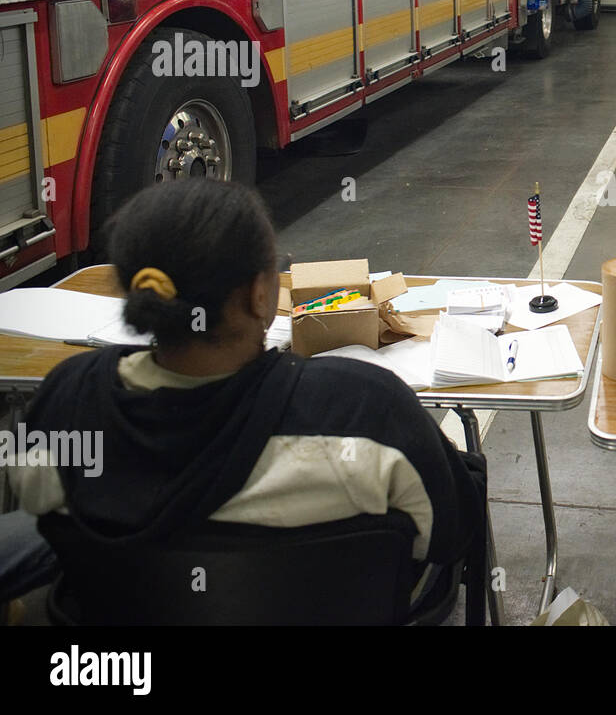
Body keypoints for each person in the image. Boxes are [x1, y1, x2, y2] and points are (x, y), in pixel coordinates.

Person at [3, 179, 484, 617]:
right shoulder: (365, 410)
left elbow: (42, 511)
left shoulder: (65, 405)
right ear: (259, 296)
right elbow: (450, 533)